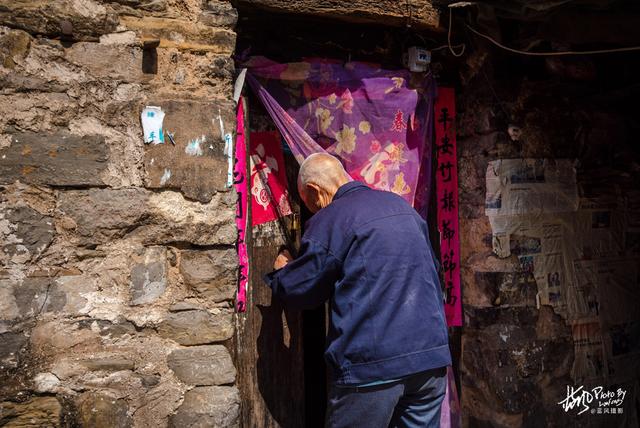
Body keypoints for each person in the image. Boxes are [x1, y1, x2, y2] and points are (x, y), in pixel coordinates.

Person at [264, 153, 451, 428]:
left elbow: (305, 289)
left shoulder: (333, 218)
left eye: (308, 203)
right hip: (429, 361)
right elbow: (433, 269)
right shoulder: (401, 207)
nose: (314, 210)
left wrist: (283, 274)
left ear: (315, 192)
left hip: (373, 367)